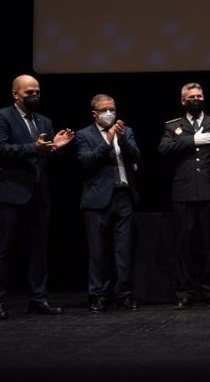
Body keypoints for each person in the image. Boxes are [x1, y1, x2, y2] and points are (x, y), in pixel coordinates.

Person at [0, 73, 75, 320]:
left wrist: (56, 147)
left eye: (37, 92)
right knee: (3, 249)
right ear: (16, 94)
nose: (35, 96)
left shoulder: (43, 121)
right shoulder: (1, 117)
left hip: (39, 193)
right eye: (29, 93)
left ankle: (38, 298)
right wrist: (33, 148)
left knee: (39, 250)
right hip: (10, 193)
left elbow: (44, 155)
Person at [158, 82, 210, 310]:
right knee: (183, 245)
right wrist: (191, 140)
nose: (196, 99)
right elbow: (163, 149)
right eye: (191, 96)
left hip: (209, 190)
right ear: (183, 100)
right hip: (183, 192)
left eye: (199, 96)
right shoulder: (173, 125)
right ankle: (184, 292)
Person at [76, 94, 141, 313]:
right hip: (97, 199)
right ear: (95, 113)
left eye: (112, 109)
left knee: (123, 250)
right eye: (104, 110)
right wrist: (107, 141)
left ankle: (124, 294)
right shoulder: (84, 135)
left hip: (124, 196)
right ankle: (98, 295)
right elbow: (86, 162)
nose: (109, 114)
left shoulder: (126, 131)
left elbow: (136, 156)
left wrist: (121, 139)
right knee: (98, 251)